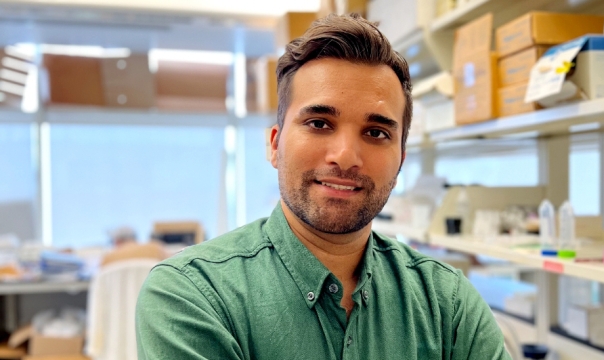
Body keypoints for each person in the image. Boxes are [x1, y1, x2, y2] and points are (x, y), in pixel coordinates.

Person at [136, 13, 511, 360]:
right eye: (319, 123)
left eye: (376, 132)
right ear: (274, 144)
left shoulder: (447, 302)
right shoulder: (192, 295)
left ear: (400, 161)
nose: (346, 156)